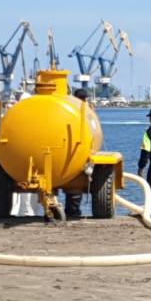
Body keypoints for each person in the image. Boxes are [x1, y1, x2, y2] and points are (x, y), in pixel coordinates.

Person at [64, 88, 90, 218]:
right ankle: (73, 211)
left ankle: (71, 210)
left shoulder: (67, 108)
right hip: (76, 152)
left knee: (74, 187)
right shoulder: (84, 111)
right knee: (75, 185)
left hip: (66, 150)